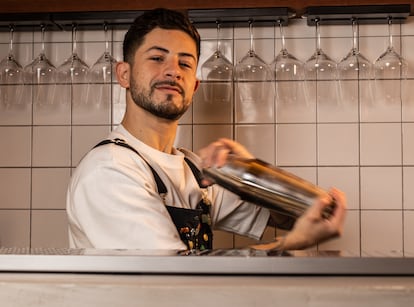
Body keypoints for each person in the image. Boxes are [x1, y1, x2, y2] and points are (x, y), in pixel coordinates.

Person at [66, 8, 346, 251]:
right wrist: (288, 245)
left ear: (194, 85)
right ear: (124, 74)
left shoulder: (193, 168)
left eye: (185, 63)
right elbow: (172, 277)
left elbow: (312, 214)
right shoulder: (110, 168)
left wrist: (251, 172)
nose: (173, 71)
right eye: (157, 58)